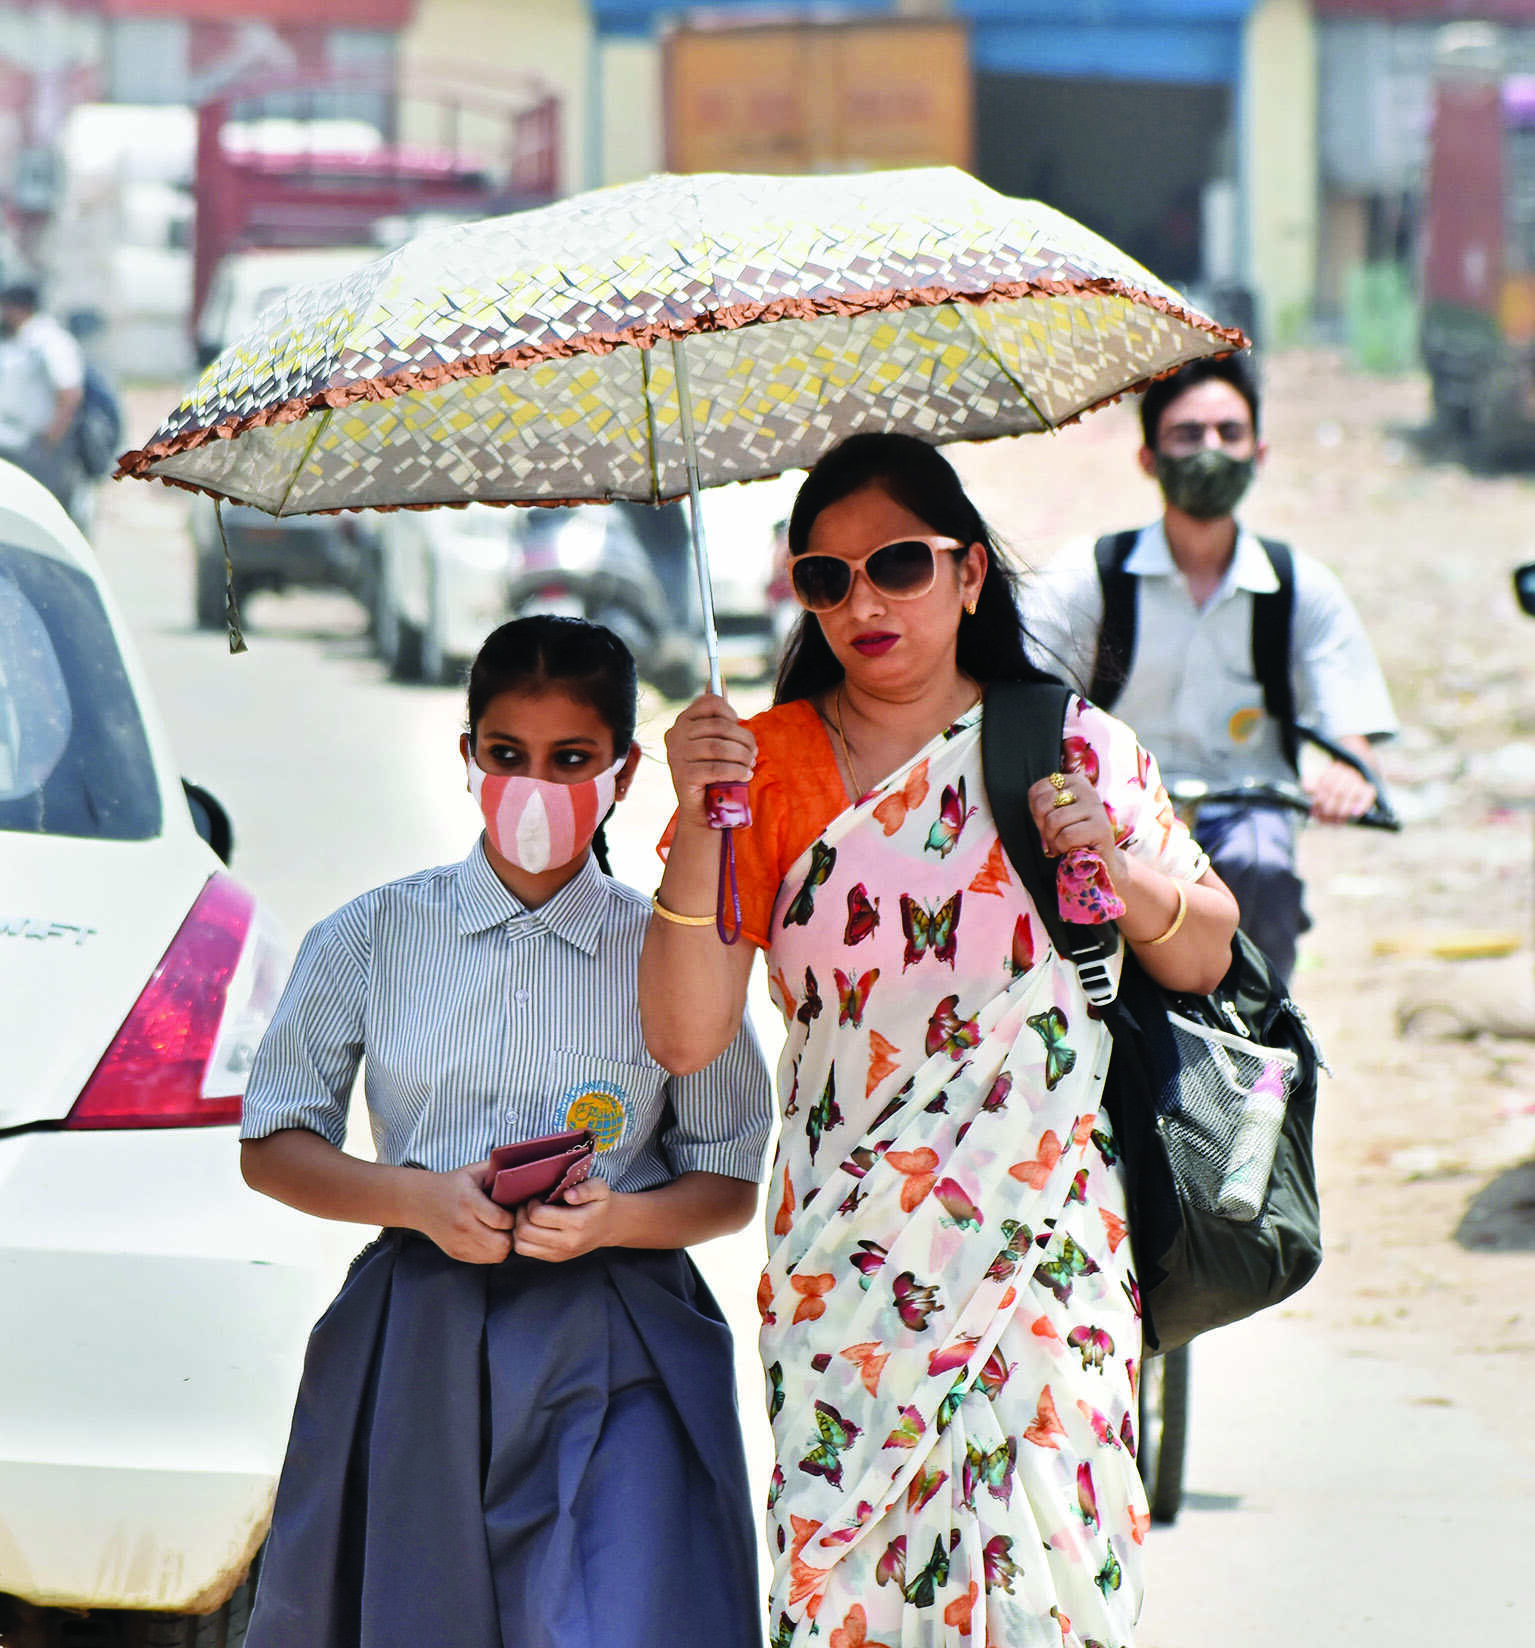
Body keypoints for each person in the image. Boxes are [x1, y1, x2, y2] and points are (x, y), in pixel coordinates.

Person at [639, 435, 1238, 1648]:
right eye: (825, 577)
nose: (863, 602)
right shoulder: (761, 774)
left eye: (897, 565)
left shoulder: (1064, 743)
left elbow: (1206, 951)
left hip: (1045, 1253)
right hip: (846, 1265)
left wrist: (1111, 871)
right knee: (854, 1592)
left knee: (1047, 1584)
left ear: (967, 573)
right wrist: (702, 818)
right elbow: (686, 1031)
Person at [239, 615, 773, 1648]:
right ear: (466, 757)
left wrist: (614, 1218)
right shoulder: (372, 935)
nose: (535, 783)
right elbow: (274, 1143)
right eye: (507, 756)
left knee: (616, 1615)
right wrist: (415, 1198)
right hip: (420, 1337)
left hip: (620, 1338)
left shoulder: (665, 952)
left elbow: (726, 1176)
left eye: (572, 759)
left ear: (621, 773)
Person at [1027, 353, 1397, 982]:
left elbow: (1348, 729)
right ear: (1148, 458)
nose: (1211, 449)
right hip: (1115, 815)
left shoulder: (1298, 587)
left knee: (1259, 865)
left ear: (1260, 453)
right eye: (1187, 434)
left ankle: (1264, 1049)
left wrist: (1347, 771)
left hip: (1246, 813)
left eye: (1230, 433)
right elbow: (1021, 691)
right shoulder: (1088, 578)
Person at [0, 282, 84, 511]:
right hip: (12, 440)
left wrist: (50, 439)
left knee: (40, 507)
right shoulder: (18, 339)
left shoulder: (50, 341)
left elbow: (69, 393)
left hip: (39, 443)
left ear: (19, 308)